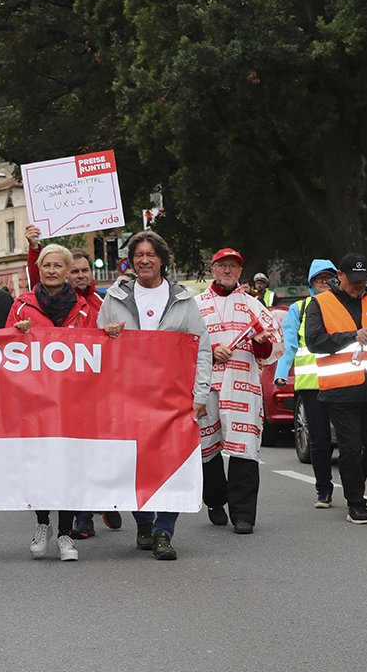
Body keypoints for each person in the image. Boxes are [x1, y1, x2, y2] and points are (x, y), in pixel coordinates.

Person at [99, 232, 212, 560]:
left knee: (170, 464)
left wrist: (200, 393)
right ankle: (144, 522)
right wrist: (108, 336)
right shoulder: (115, 297)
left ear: (162, 259)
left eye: (150, 254)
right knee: (134, 464)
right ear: (131, 260)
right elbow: (98, 344)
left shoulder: (183, 299)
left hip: (172, 398)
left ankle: (164, 531)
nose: (144, 260)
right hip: (128, 396)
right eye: (138, 254)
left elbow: (201, 348)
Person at [9, 243, 95, 561]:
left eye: (59, 266)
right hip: (35, 401)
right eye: (46, 265)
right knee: (41, 465)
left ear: (68, 270)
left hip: (73, 402)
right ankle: (42, 522)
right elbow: (1, 344)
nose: (52, 271)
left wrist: (111, 334)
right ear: (39, 269)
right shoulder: (21, 306)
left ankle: (65, 534)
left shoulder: (85, 309)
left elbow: (99, 350)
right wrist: (14, 333)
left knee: (69, 466)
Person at [304, 253, 367, 524]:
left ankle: (354, 480)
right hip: (339, 388)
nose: (360, 285)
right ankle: (356, 504)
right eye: (354, 280)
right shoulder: (320, 303)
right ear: (341, 277)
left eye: (364, 280)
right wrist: (349, 337)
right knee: (350, 446)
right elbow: (314, 342)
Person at [195, 248, 282, 534]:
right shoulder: (195, 305)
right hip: (205, 386)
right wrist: (209, 351)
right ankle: (215, 500)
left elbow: (272, 349)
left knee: (244, 448)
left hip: (241, 384)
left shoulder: (253, 306)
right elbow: (183, 344)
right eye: (223, 266)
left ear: (240, 272)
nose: (228, 271)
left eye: (233, 266)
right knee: (208, 448)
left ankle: (243, 514)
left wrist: (260, 342)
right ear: (213, 269)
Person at [273, 259, 339, 507]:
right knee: (320, 440)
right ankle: (324, 490)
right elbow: (289, 345)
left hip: (344, 382)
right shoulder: (299, 309)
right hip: (312, 386)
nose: (324, 283)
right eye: (319, 279)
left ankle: (356, 489)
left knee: (352, 439)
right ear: (311, 283)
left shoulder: (344, 306)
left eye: (329, 278)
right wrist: (281, 372)